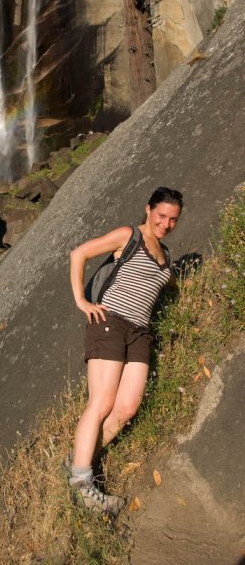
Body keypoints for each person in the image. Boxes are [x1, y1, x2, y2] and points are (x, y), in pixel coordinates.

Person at [67, 187, 183, 515]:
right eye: (161, 215)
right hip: (110, 322)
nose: (166, 223)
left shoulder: (166, 254)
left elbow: (164, 281)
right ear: (148, 210)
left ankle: (78, 458)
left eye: (173, 219)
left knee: (127, 408)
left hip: (140, 332)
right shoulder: (128, 235)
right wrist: (81, 301)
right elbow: (79, 254)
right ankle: (82, 482)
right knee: (102, 402)